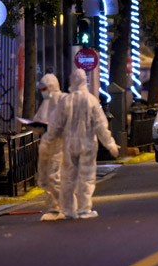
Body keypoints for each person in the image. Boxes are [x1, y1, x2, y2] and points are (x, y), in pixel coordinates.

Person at [42, 69, 119, 219]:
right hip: (88, 144)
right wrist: (110, 144)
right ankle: (84, 209)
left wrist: (48, 140)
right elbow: (100, 125)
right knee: (86, 176)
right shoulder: (91, 101)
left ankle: (69, 210)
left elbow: (56, 125)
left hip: (69, 144)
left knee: (68, 178)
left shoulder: (66, 101)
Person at [33, 74, 66, 221]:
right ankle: (54, 207)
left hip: (60, 144)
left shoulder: (62, 100)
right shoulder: (47, 102)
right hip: (49, 145)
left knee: (55, 176)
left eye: (45, 88)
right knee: (47, 176)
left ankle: (63, 206)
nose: (43, 92)